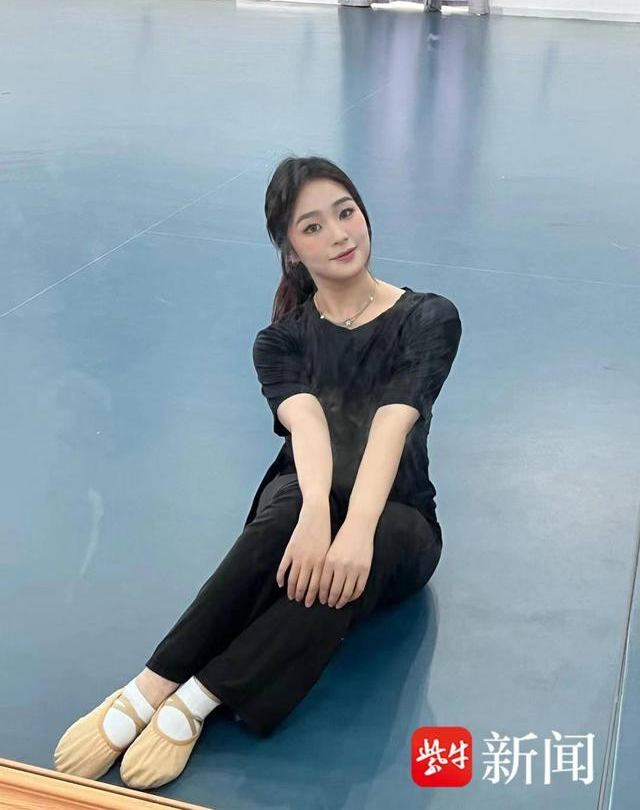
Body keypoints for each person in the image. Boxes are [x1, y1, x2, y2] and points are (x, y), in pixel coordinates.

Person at [53, 155, 463, 791]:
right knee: (285, 521)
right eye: (313, 226)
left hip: (400, 510)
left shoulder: (429, 317)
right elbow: (309, 428)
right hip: (305, 484)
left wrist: (355, 529)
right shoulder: (280, 341)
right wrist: (319, 513)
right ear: (291, 249)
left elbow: (392, 423)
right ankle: (148, 687)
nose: (339, 234)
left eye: (346, 213)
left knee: (356, 563)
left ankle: (200, 697)